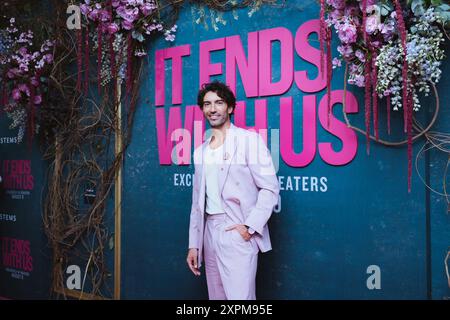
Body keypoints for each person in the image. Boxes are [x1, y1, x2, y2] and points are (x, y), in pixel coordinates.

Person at [186, 80, 279, 300]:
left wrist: (250, 227)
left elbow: (270, 188)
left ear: (230, 107)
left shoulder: (249, 141)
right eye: (207, 104)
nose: (212, 109)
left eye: (219, 103)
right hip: (209, 232)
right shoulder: (200, 152)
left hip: (236, 230)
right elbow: (197, 204)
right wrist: (193, 244)